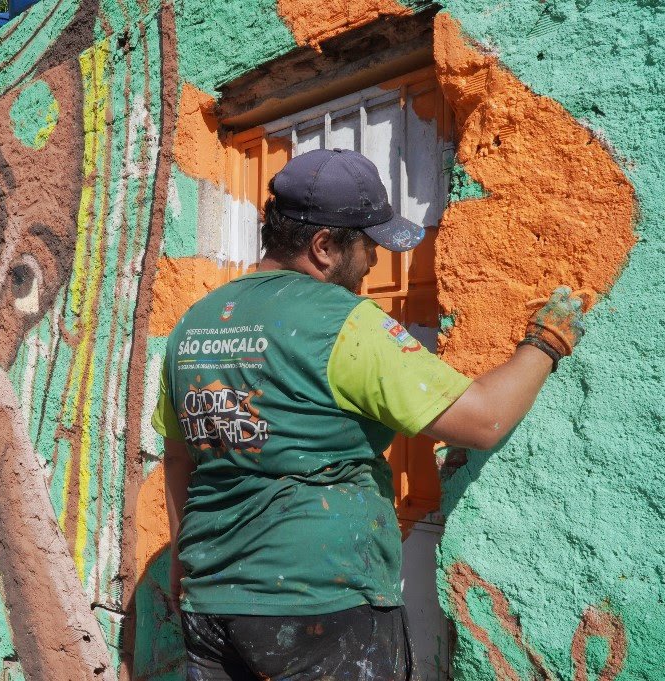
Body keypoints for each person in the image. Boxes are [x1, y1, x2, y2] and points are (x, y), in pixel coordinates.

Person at [152, 149, 586, 680]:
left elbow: (178, 462)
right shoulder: (343, 323)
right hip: (320, 606)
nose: (375, 262)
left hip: (211, 604)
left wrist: (183, 562)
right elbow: (484, 421)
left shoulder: (192, 327)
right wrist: (544, 344)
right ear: (325, 246)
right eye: (368, 246)